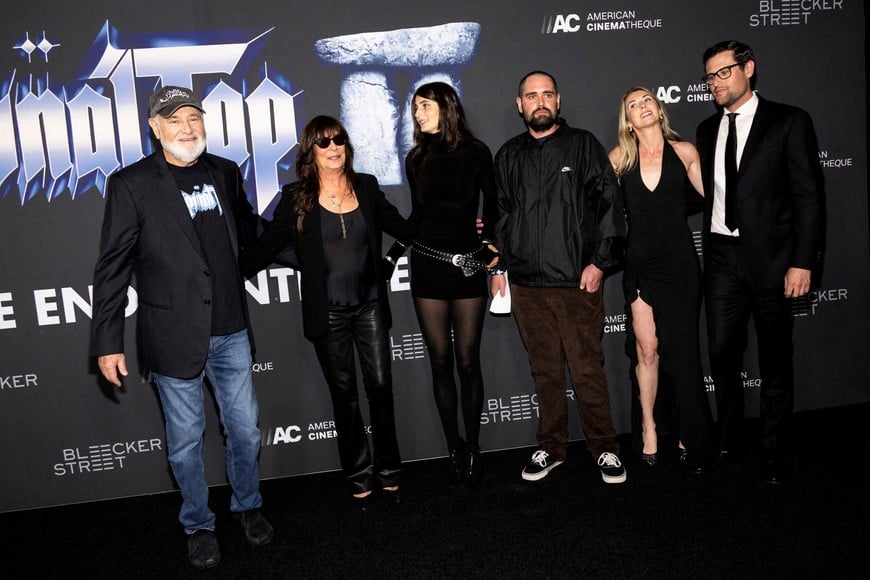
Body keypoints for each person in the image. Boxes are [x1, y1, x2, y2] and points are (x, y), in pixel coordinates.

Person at [90, 86, 273, 570]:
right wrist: (107, 340)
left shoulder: (226, 172)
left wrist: (310, 249)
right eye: (174, 120)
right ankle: (198, 524)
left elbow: (252, 237)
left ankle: (247, 507)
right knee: (186, 441)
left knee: (247, 432)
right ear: (155, 127)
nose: (187, 128)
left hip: (231, 328)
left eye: (194, 117)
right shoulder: (131, 183)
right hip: (172, 335)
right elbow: (112, 267)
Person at [242, 115, 414, 507]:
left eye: (339, 139)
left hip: (370, 305)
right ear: (311, 151)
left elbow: (404, 228)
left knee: (381, 389)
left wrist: (389, 262)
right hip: (329, 314)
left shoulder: (366, 187)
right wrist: (227, 266)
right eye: (324, 142)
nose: (334, 147)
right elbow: (267, 246)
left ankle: (389, 468)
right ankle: (357, 472)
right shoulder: (295, 197)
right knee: (345, 396)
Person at [696, 41, 824, 484]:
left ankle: (774, 449)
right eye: (710, 76)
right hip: (721, 258)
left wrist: (802, 262)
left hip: (773, 260)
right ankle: (729, 441)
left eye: (724, 72)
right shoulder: (706, 130)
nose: (716, 82)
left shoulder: (789, 121)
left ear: (748, 69)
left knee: (774, 357)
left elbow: (809, 198)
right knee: (721, 356)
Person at [491, 71, 627, 484]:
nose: (540, 101)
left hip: (575, 282)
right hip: (528, 286)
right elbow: (501, 216)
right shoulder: (508, 155)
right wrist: (498, 269)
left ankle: (604, 447)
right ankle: (551, 448)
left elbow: (609, 206)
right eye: (531, 96)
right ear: (520, 105)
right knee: (545, 372)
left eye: (547, 94)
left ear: (559, 100)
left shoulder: (583, 144)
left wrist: (600, 263)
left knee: (586, 369)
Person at [608, 87, 714, 472]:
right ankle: (649, 427)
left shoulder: (685, 152)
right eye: (632, 105)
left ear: (658, 108)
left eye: (646, 100)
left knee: (683, 354)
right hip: (639, 265)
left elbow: (718, 202)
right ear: (628, 121)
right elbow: (602, 215)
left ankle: (691, 430)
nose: (641, 107)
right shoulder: (619, 159)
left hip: (680, 265)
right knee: (646, 349)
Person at [400, 82, 499, 486]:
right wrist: (388, 250)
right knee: (439, 362)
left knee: (467, 361)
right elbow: (417, 215)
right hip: (427, 265)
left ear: (446, 106)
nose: (418, 115)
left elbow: (492, 206)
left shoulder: (477, 153)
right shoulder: (416, 158)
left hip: (467, 266)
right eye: (415, 109)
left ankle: (473, 444)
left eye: (424, 106)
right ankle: (453, 444)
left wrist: (493, 242)